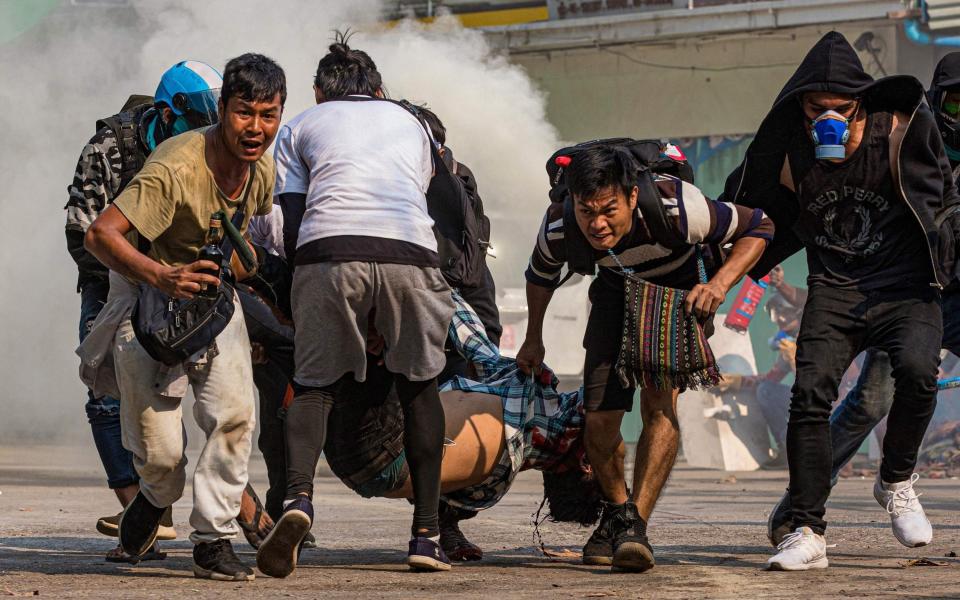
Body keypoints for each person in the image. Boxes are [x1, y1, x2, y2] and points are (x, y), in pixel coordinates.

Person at [721, 31, 960, 571]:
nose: (827, 119)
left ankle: (896, 481)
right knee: (810, 397)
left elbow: (942, 206)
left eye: (840, 109)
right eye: (814, 109)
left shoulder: (898, 135)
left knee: (919, 375)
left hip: (908, 288)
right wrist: (715, 271)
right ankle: (805, 529)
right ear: (801, 108)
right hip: (836, 289)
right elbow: (751, 212)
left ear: (861, 104)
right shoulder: (791, 154)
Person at [517, 143, 773, 572]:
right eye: (586, 211)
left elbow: (760, 226)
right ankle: (621, 514)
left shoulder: (678, 205)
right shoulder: (560, 224)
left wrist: (720, 285)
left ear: (632, 197)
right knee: (599, 420)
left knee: (659, 402)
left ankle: (634, 527)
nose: (597, 224)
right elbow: (539, 276)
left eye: (609, 210)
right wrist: (532, 339)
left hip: (677, 291)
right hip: (615, 291)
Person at [79, 53, 286, 581]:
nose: (256, 128)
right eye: (245, 113)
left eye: (269, 114)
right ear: (222, 110)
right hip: (148, 302)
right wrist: (162, 277)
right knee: (162, 454)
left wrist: (255, 308)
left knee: (236, 418)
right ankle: (152, 496)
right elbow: (99, 234)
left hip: (213, 304)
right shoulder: (177, 164)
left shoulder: (262, 168)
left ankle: (212, 541)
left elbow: (242, 248)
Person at [256, 37, 454, 577]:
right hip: (410, 251)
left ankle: (297, 501)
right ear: (379, 89)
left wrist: (302, 285)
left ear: (320, 92)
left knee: (315, 384)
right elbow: (424, 196)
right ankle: (428, 534)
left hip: (327, 249)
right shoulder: (411, 124)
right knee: (419, 387)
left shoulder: (301, 124)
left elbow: (291, 215)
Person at [65, 60, 223, 562]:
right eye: (196, 118)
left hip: (187, 279)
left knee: (201, 391)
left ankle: (175, 507)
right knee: (105, 392)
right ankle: (140, 509)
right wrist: (135, 276)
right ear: (167, 111)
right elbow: (81, 227)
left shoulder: (211, 147)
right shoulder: (112, 146)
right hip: (113, 279)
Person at [321, 294, 600, 560]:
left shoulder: (557, 425)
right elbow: (473, 340)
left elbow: (603, 389)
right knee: (345, 317)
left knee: (367, 301)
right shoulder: (489, 485)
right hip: (360, 464)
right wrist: (437, 286)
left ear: (587, 464)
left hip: (384, 445)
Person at [716, 265, 805, 466]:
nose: (780, 323)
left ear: (797, 314)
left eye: (784, 316)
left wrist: (796, 361)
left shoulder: (815, 335)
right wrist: (736, 382)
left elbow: (818, 382)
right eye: (776, 319)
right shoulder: (789, 344)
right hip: (805, 399)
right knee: (767, 390)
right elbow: (770, 380)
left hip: (833, 400)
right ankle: (787, 449)